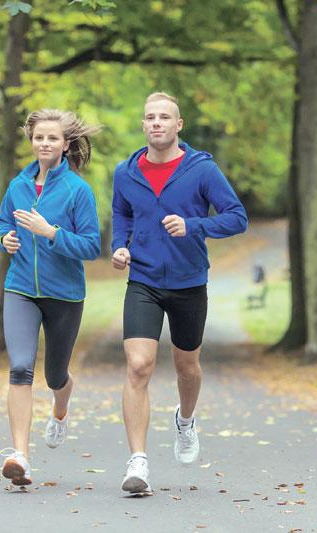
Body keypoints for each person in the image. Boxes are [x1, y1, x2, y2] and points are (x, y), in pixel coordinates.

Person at [110, 92, 248, 493]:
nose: (157, 123)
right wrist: (120, 245)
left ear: (178, 125)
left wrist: (195, 226)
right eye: (150, 117)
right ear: (143, 125)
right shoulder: (125, 172)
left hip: (189, 282)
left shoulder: (201, 170)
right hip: (144, 281)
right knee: (138, 365)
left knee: (187, 367)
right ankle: (138, 462)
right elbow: (121, 212)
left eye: (164, 117)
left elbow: (237, 218)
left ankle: (185, 420)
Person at [0, 109, 102, 486]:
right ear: (32, 142)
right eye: (39, 137)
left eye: (52, 138)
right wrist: (4, 239)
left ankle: (60, 408)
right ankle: (20, 455)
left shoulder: (78, 191)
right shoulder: (17, 185)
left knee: (55, 374)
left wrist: (51, 232)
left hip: (64, 295)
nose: (45, 143)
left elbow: (91, 246)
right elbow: (3, 223)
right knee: (20, 367)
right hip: (21, 288)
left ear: (65, 145)